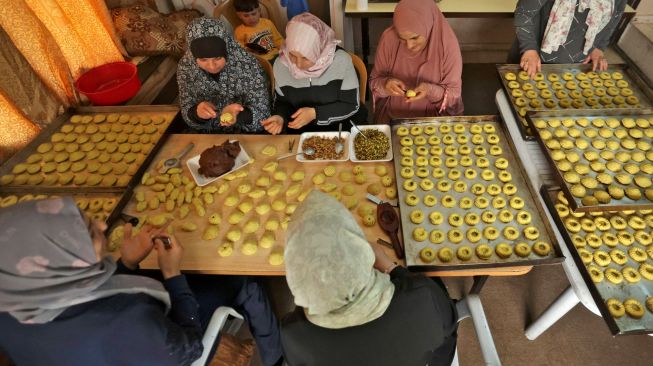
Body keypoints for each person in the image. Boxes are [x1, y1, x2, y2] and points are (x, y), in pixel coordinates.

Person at [0, 197, 283, 366]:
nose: (102, 225)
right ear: (61, 256)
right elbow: (189, 343)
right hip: (167, 349)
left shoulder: (8, 311)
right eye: (89, 231)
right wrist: (172, 274)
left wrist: (127, 264)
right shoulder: (129, 319)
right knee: (243, 281)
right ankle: (275, 359)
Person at [280, 191, 458, 366]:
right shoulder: (421, 296)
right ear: (361, 250)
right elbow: (449, 325)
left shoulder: (293, 333)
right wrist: (391, 267)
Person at [261, 13, 366, 135]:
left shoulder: (341, 61)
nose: (298, 65)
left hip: (343, 127)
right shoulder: (281, 65)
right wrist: (280, 117)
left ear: (319, 49)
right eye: (292, 55)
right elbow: (282, 102)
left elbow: (351, 104)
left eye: (305, 58)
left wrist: (315, 114)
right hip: (303, 131)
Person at [369, 0, 463, 124]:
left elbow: (453, 97)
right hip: (393, 115)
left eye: (415, 37)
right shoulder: (389, 39)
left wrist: (430, 91)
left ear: (428, 26)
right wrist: (385, 85)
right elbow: (375, 82)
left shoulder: (447, 45)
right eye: (402, 38)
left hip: (434, 118)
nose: (409, 45)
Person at [177, 17, 270, 133]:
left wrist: (238, 115)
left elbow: (263, 114)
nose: (212, 66)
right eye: (203, 59)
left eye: (218, 58)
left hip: (244, 132)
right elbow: (186, 110)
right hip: (205, 134)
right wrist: (196, 113)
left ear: (227, 48)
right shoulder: (186, 67)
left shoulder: (248, 64)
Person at [511, 0, 627, 79]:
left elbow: (615, 16)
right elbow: (524, 13)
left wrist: (598, 47)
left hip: (580, 63)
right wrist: (529, 49)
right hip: (534, 57)